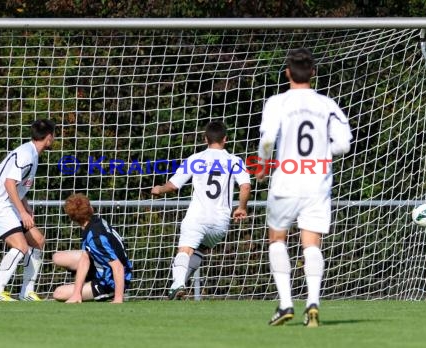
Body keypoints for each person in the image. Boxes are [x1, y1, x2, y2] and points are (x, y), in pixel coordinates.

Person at [255, 48, 352, 327]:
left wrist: (262, 165)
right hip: (317, 182)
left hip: (286, 179)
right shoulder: (327, 104)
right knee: (311, 244)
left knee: (277, 239)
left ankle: (285, 303)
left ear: (287, 72)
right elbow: (344, 143)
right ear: (313, 73)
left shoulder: (277, 102)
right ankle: (313, 302)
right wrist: (323, 154)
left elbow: (267, 138)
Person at [151, 120, 251, 300]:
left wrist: (159, 189)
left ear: (205, 139)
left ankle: (178, 283)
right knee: (200, 250)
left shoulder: (195, 159)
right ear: (225, 139)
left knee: (185, 250)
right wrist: (241, 207)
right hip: (220, 222)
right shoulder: (234, 161)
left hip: (197, 217)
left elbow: (173, 186)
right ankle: (177, 288)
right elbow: (245, 187)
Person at [0, 119, 56, 301]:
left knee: (37, 240)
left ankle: (26, 292)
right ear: (48, 137)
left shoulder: (32, 152)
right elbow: (9, 183)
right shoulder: (26, 155)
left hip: (9, 203)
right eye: (54, 136)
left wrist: (26, 207)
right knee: (21, 246)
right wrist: (22, 212)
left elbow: (18, 186)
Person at [52, 193, 132, 303]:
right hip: (101, 266)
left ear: (72, 218)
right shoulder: (94, 223)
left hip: (109, 281)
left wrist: (118, 298)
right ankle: (84, 285)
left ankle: (110, 292)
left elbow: (118, 266)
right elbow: (85, 258)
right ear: (91, 208)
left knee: (58, 293)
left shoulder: (95, 238)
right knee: (57, 257)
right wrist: (76, 293)